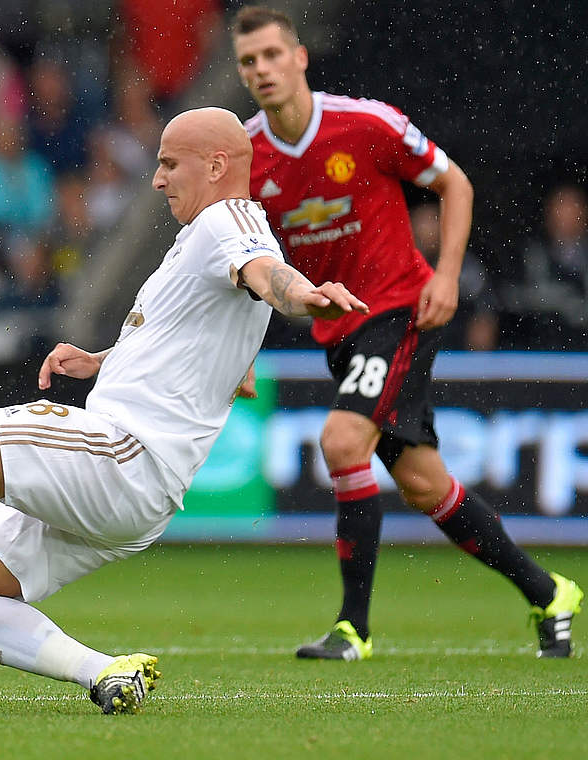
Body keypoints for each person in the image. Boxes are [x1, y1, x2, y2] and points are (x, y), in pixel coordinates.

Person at [0, 108, 367, 714]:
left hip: (121, 454)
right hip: (139, 497)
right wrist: (103, 359)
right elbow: (191, 333)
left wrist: (305, 297)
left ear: (216, 166)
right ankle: (106, 672)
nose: (157, 180)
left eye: (168, 163)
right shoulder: (204, 240)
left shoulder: (227, 221)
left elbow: (269, 275)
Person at [230, 6, 581, 661]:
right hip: (341, 336)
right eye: (249, 61)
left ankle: (352, 630)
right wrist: (242, 348)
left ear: (300, 57)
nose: (262, 70)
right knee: (425, 485)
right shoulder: (247, 157)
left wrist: (446, 275)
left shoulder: (367, 124)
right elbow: (252, 261)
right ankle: (550, 590)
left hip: (399, 312)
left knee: (341, 440)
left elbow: (455, 183)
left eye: (273, 55)